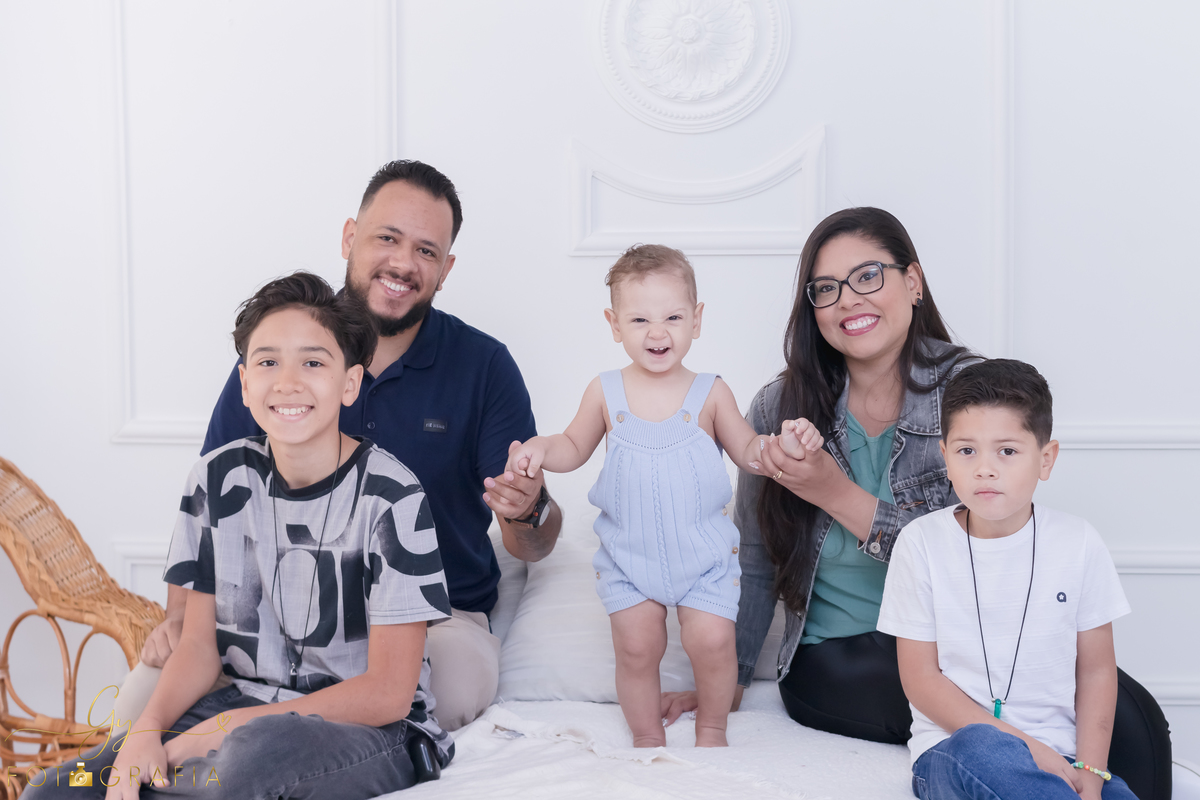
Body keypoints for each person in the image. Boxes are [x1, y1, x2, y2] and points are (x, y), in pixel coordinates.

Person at [118, 160, 562, 732]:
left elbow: (533, 543)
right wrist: (181, 616)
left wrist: (529, 507)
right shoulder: (278, 356)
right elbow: (215, 500)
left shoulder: (485, 366)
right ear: (350, 237)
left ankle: (272, 750)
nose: (403, 263)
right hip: (275, 616)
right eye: (387, 238)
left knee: (440, 693)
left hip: (434, 621)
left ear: (446, 269)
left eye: (427, 251)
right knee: (142, 700)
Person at [25, 273, 452, 799]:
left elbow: (389, 693)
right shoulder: (216, 479)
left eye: (313, 362)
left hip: (371, 731)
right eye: (268, 362)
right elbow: (200, 647)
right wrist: (147, 731)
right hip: (242, 707)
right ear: (245, 384)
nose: (288, 382)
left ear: (350, 383)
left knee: (244, 766)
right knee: (58, 789)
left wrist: (226, 730)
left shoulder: (392, 495)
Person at [663, 207, 976, 742]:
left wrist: (835, 493)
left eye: (868, 276)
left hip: (965, 647)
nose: (848, 299)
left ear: (914, 282)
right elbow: (757, 560)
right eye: (826, 288)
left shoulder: (975, 391)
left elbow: (983, 556)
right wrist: (726, 685)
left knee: (1130, 727)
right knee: (1027, 731)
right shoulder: (779, 405)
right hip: (836, 656)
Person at [505, 244, 822, 748]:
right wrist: (541, 448)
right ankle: (648, 740)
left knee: (713, 642)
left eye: (673, 316)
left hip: (704, 557)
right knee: (636, 648)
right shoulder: (605, 391)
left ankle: (712, 730)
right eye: (639, 319)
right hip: (631, 559)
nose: (658, 332)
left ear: (696, 320)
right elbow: (572, 446)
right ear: (614, 324)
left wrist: (780, 445)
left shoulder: (710, 392)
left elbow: (747, 450)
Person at [877, 358, 1135, 799]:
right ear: (945, 457)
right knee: (983, 748)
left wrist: (1090, 775)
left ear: (1045, 458)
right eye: (966, 451)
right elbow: (921, 679)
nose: (985, 469)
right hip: (956, 749)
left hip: (1064, 758)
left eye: (1008, 451)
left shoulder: (1079, 542)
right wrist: (1029, 749)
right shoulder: (921, 543)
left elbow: (1095, 671)